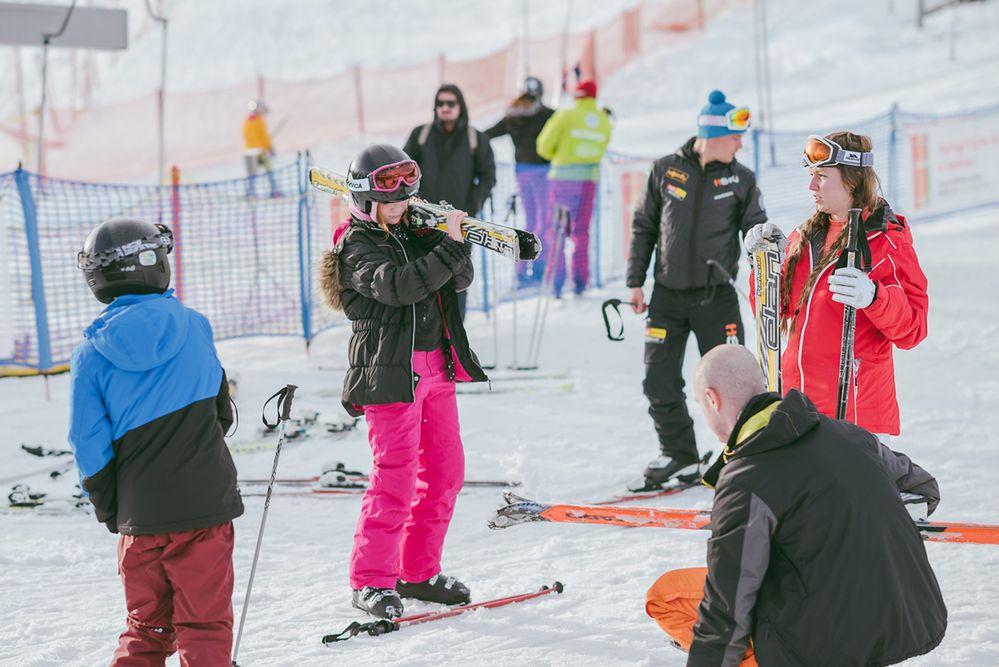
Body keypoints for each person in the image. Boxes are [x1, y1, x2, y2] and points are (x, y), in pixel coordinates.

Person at [645, 344, 946, 666]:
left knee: (664, 597)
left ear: (711, 399)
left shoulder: (746, 478)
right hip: (909, 616)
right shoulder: (847, 435)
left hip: (823, 644)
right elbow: (922, 487)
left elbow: (728, 608)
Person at [319, 144, 488, 619]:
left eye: (405, 196)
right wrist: (449, 248)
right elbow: (398, 287)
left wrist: (448, 237)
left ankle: (418, 571)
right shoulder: (355, 244)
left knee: (445, 472)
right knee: (394, 478)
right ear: (365, 199)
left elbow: (459, 279)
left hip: (437, 366)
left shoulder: (413, 230)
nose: (400, 204)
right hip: (389, 372)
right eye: (389, 199)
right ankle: (371, 580)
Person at [69, 217, 243, 665]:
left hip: (140, 515)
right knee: (203, 625)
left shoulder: (90, 353)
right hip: (204, 507)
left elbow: (87, 441)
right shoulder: (194, 326)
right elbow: (219, 410)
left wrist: (112, 506)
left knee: (146, 627)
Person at [745, 131, 928, 444]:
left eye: (822, 176)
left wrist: (874, 297)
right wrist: (764, 268)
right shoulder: (805, 237)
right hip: (799, 405)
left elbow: (913, 329)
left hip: (853, 410)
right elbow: (775, 314)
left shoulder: (886, 240)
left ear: (853, 180)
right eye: (811, 175)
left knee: (849, 494)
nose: (811, 186)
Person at [626, 90, 766, 491]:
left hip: (716, 298)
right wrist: (636, 280)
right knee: (658, 379)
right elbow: (644, 227)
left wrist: (764, 248)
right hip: (668, 296)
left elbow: (755, 227)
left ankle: (747, 457)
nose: (741, 144)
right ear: (714, 133)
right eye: (735, 136)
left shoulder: (741, 178)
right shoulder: (665, 170)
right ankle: (680, 455)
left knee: (736, 383)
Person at [404, 84, 497, 319]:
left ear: (460, 106)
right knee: (421, 273)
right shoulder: (420, 135)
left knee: (457, 276)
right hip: (421, 221)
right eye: (440, 103)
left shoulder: (475, 138)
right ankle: (426, 333)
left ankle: (454, 332)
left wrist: (471, 206)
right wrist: (411, 203)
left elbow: (488, 176)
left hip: (458, 222)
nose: (445, 108)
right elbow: (404, 171)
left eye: (451, 103)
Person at [535, 79, 612, 297]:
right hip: (589, 181)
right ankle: (580, 281)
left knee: (557, 231)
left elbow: (543, 146)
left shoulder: (565, 115)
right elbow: (602, 146)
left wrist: (558, 156)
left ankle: (556, 283)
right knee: (581, 232)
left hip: (562, 180)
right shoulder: (603, 120)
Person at [485, 76, 555, 288]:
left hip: (522, 173)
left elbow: (487, 134)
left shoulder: (512, 116)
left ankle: (523, 270)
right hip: (543, 173)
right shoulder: (547, 115)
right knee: (544, 221)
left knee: (532, 221)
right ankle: (540, 269)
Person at [242, 99, 280, 197]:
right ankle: (274, 191)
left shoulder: (247, 120)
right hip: (259, 152)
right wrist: (270, 148)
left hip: (247, 152)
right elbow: (264, 137)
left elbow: (247, 135)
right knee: (269, 171)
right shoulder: (259, 120)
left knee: (251, 175)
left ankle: (250, 193)